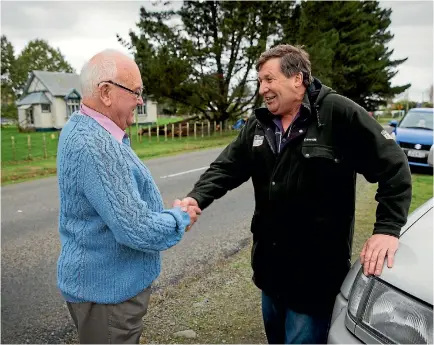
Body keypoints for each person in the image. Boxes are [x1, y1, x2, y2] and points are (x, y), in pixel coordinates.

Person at [177, 44, 412, 344]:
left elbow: (393, 165)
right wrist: (196, 198)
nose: (262, 89)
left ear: (297, 79)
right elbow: (227, 167)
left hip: (314, 278)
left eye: (268, 79)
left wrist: (387, 229)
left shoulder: (337, 114)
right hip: (270, 271)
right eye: (260, 81)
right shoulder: (260, 123)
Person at [56, 49, 200, 344]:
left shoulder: (81, 127)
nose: (140, 100)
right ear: (105, 92)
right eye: (135, 92)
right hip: (107, 296)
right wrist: (179, 217)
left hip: (98, 290)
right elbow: (135, 228)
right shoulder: (97, 145)